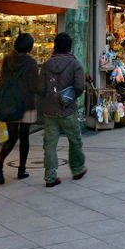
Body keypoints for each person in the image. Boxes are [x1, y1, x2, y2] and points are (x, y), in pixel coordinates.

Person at [37, 32, 87, 187]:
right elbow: (80, 86)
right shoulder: (75, 64)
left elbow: (40, 88)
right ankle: (77, 169)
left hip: (49, 110)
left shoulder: (46, 65)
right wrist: (70, 96)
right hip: (68, 110)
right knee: (75, 140)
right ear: (69, 47)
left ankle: (50, 177)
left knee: (50, 144)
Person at [0, 33, 38, 184]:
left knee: (12, 137)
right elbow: (34, 85)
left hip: (10, 102)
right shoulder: (31, 63)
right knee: (24, 137)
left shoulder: (7, 59)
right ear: (29, 47)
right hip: (26, 104)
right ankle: (21, 169)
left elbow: (1, 80)